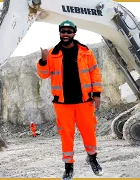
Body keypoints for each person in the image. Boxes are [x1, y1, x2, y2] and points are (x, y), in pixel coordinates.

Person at [37, 20, 103, 180]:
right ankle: (68, 167)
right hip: (63, 104)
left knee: (89, 132)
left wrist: (97, 94)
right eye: (63, 31)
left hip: (84, 102)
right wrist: (43, 61)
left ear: (74, 33)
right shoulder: (52, 54)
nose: (65, 34)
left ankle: (92, 159)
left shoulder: (85, 52)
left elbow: (95, 73)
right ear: (60, 33)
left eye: (69, 31)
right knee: (66, 135)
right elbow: (43, 74)